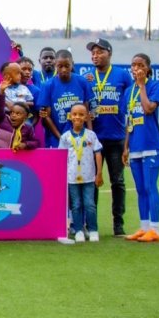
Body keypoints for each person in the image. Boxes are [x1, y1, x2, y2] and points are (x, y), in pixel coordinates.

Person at [84, 38, 131, 237]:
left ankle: (118, 225)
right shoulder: (87, 77)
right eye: (93, 53)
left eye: (99, 52)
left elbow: (131, 103)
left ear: (109, 53)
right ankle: (91, 224)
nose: (95, 56)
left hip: (116, 138)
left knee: (117, 182)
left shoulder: (122, 75)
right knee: (91, 182)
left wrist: (128, 138)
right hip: (94, 140)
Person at [122, 53, 159, 243]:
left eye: (141, 65)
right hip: (135, 146)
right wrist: (126, 147)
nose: (136, 68)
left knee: (150, 187)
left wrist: (141, 86)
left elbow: (147, 109)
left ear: (148, 69)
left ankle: (155, 229)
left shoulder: (154, 86)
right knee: (140, 189)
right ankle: (144, 227)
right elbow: (129, 121)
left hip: (151, 145)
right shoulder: (128, 92)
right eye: (134, 65)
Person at [59, 103, 103, 242]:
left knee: (90, 204)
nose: (77, 117)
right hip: (72, 178)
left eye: (81, 114)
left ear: (87, 117)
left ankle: (93, 230)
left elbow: (98, 154)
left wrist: (99, 173)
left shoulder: (91, 135)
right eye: (75, 114)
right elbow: (61, 157)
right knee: (76, 205)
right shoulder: (65, 137)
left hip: (89, 177)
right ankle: (78, 230)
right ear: (70, 116)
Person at [36, 49, 95, 148]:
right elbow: (47, 117)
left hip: (81, 137)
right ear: (55, 65)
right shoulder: (48, 85)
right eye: (60, 66)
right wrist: (61, 139)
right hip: (57, 139)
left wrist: (90, 134)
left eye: (67, 66)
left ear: (72, 64)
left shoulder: (82, 82)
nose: (63, 69)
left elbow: (87, 111)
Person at [0, 86, 38, 151]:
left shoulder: (28, 128)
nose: (13, 115)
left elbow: (35, 142)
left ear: (25, 116)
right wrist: (1, 92)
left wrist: (25, 144)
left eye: (18, 114)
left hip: (16, 156)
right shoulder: (3, 120)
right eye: (12, 112)